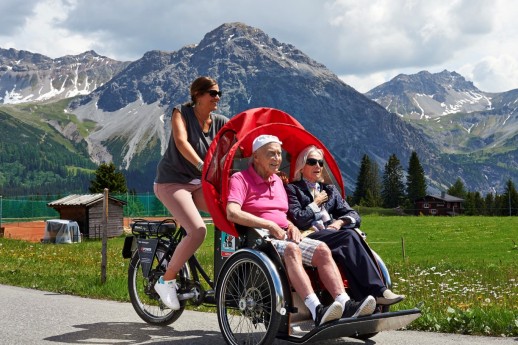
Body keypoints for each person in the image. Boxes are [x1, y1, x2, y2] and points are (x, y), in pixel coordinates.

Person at [226, 134, 377, 326]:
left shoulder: (279, 182)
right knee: (292, 250)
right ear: (255, 157)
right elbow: (232, 213)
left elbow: (283, 214)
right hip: (260, 237)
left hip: (284, 233)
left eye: (279, 154)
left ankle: (344, 303)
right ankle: (316, 310)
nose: (277, 158)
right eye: (271, 154)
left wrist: (291, 226)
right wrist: (270, 225)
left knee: (322, 249)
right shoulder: (240, 179)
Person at [285, 145, 405, 305]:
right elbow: (298, 218)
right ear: (301, 166)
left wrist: (339, 222)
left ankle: (367, 298)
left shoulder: (330, 190)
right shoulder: (293, 189)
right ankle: (378, 291)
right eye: (312, 162)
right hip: (310, 235)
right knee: (349, 236)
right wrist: (315, 204)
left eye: (320, 163)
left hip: (332, 233)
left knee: (352, 234)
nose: (318, 166)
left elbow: (354, 215)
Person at [153, 76, 229, 310]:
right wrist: (202, 167)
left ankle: (228, 275)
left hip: (198, 183)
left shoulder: (220, 122)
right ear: (197, 95)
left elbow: (238, 144)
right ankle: (166, 280)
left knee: (228, 213)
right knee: (197, 231)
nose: (217, 98)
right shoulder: (181, 113)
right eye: (212, 93)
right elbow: (181, 141)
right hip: (172, 183)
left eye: (219, 94)